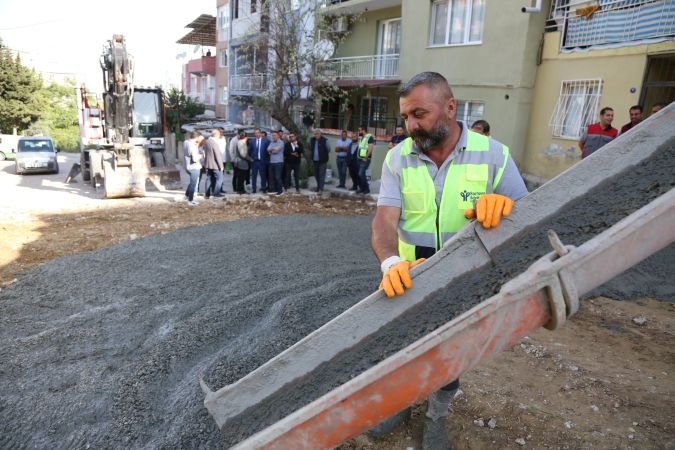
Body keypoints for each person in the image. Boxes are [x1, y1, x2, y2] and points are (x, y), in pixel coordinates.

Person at [371, 71, 528, 449]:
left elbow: (527, 215)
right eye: (406, 117)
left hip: (467, 279)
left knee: (450, 356)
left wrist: (508, 210)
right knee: (403, 347)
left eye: (419, 114)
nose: (411, 126)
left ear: (450, 107)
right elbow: (384, 219)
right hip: (412, 277)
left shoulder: (494, 155)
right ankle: (401, 402)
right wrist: (390, 262)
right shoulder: (398, 159)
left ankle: (436, 414)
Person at [202, 128, 225, 199]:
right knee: (220, 178)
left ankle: (207, 194)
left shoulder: (207, 141)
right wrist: (221, 165)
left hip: (208, 164)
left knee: (208, 179)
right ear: (216, 135)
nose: (220, 136)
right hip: (215, 165)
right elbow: (217, 155)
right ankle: (216, 193)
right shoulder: (215, 143)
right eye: (219, 134)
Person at [183, 131, 202, 205]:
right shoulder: (192, 146)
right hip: (194, 167)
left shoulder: (186, 142)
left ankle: (186, 196)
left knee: (192, 183)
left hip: (187, 165)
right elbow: (194, 159)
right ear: (196, 137)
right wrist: (201, 155)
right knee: (193, 184)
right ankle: (190, 200)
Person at [249, 128, 270, 193]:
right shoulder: (252, 141)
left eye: (258, 133)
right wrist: (251, 158)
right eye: (255, 133)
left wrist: (267, 160)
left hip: (262, 161)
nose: (257, 134)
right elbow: (249, 151)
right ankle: (254, 189)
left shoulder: (266, 141)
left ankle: (263, 188)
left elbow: (268, 151)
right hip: (254, 161)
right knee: (254, 176)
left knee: (263, 175)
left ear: (260, 133)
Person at [310, 129, 330, 193]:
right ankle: (319, 187)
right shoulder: (312, 140)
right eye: (315, 134)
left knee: (322, 175)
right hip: (315, 160)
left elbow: (329, 149)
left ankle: (321, 189)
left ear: (320, 134)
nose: (316, 135)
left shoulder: (324, 140)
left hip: (322, 161)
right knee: (316, 175)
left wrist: (323, 155)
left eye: (317, 134)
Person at [356, 126, 375, 194]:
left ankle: (366, 189)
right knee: (359, 174)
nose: (359, 132)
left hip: (365, 159)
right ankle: (362, 188)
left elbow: (370, 148)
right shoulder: (361, 138)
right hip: (359, 158)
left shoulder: (369, 137)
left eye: (359, 130)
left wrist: (366, 157)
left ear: (363, 130)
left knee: (361, 174)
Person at [268, 130, 285, 196]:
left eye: (274, 135)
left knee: (278, 177)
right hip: (272, 162)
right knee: (272, 177)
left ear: (278, 136)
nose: (273, 137)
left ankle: (280, 191)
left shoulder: (281, 142)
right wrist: (273, 149)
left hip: (279, 162)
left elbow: (276, 150)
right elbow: (268, 149)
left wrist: (271, 150)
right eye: (272, 135)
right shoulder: (272, 142)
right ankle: (274, 190)